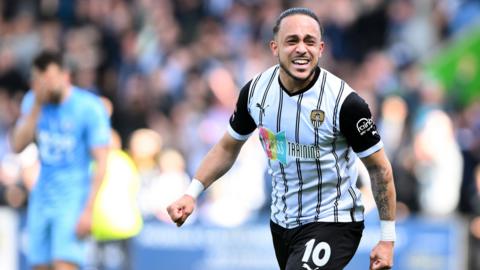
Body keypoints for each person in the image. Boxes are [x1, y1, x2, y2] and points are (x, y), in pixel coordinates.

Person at [167, 7, 396, 270]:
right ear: (274, 47)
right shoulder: (255, 93)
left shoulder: (345, 103)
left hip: (334, 221)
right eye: (292, 40)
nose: (301, 48)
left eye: (309, 41)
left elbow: (380, 168)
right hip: (282, 224)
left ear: (321, 49)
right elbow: (227, 147)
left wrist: (387, 239)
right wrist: (191, 193)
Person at [10, 51, 110, 270]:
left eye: (50, 79)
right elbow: (17, 145)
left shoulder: (89, 107)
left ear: (66, 76)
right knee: (39, 265)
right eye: (39, 80)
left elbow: (102, 161)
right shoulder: (33, 101)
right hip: (41, 196)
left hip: (73, 197)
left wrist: (89, 210)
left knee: (64, 264)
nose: (46, 85)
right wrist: (36, 105)